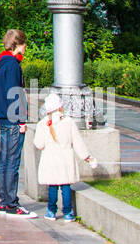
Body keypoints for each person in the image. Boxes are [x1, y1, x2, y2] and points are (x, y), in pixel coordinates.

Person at [33, 92, 98, 221]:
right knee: (65, 187)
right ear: (60, 107)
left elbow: (39, 144)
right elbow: (78, 143)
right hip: (65, 161)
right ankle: (68, 213)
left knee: (52, 186)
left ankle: (51, 211)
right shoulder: (68, 122)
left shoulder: (42, 124)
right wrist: (88, 157)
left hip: (50, 161)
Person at [0, 28, 35, 218]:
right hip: (12, 119)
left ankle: (5, 201)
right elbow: (14, 93)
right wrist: (21, 120)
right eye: (25, 44)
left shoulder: (1, 63)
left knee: (4, 160)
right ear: (19, 44)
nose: (26, 48)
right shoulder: (13, 65)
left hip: (3, 116)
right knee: (12, 161)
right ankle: (11, 203)